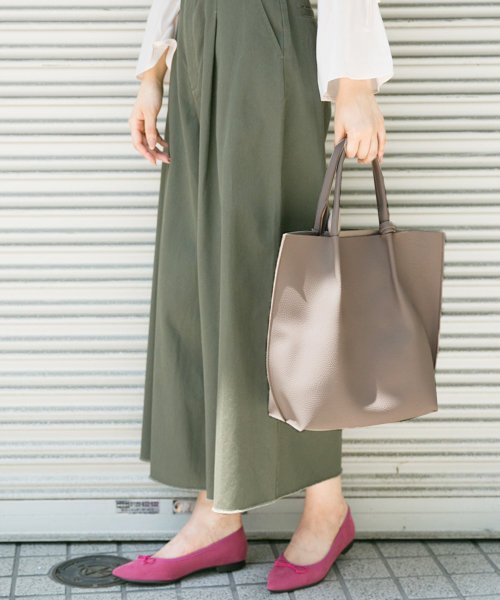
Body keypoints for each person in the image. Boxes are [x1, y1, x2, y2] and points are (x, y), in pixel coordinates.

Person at [113, 0, 393, 592]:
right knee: (197, 279)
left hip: (267, 39)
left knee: (282, 283)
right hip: (197, 44)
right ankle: (217, 512)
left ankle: (326, 506)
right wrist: (153, 72)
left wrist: (354, 83)